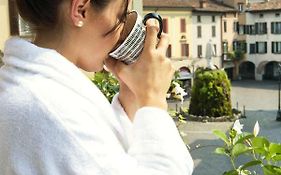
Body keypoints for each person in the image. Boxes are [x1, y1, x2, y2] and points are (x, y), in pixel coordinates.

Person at [0, 0, 193, 174]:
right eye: (121, 16)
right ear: (81, 10)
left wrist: (131, 97)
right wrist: (153, 100)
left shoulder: (24, 85)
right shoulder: (51, 110)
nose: (121, 31)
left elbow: (109, 158)